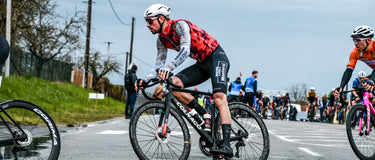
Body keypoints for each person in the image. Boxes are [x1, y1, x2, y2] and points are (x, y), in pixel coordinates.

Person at [139, 4, 233, 156]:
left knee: (219, 99)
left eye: (150, 21)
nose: (148, 25)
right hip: (202, 64)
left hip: (217, 57)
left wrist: (169, 68)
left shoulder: (180, 26)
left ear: (162, 18)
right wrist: (145, 80)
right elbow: (158, 64)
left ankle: (227, 145)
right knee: (174, 84)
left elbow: (185, 50)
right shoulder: (161, 39)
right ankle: (205, 115)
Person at [336, 25, 375, 96]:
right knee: (361, 87)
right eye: (354, 40)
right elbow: (349, 71)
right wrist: (341, 87)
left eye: (358, 40)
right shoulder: (355, 52)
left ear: (368, 40)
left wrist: (372, 80)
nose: (355, 43)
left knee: (369, 83)